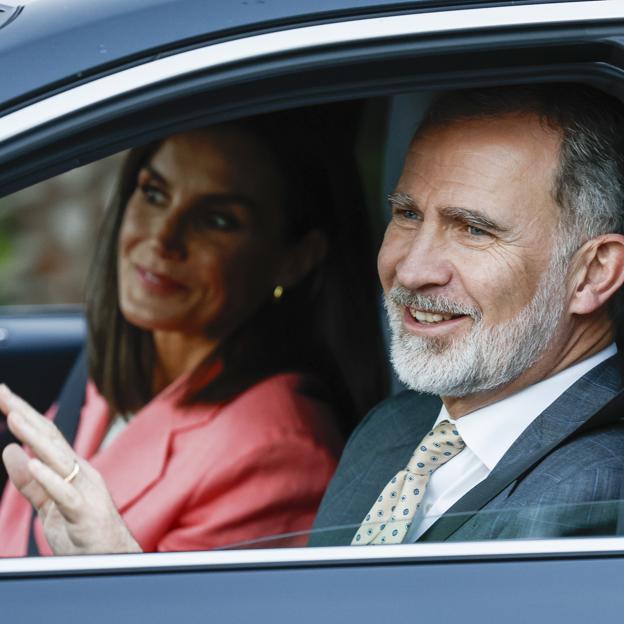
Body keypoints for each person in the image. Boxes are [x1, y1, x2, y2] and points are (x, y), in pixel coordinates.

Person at [0, 107, 387, 556]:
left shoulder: (276, 455)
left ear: (295, 258)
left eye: (216, 220)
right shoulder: (130, 365)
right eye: (153, 193)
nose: (163, 237)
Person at [311, 84, 624, 547]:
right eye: (408, 214)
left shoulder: (597, 489)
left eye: (474, 230)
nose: (412, 270)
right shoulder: (395, 426)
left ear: (592, 274)